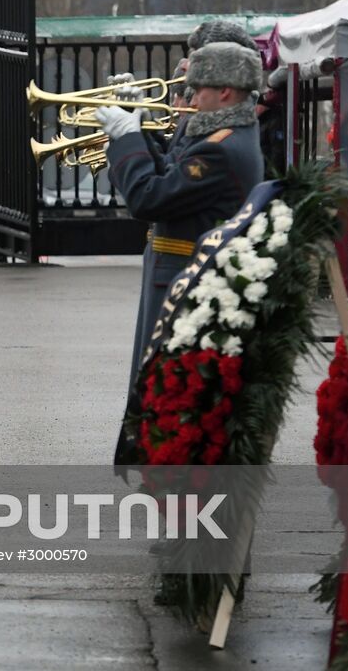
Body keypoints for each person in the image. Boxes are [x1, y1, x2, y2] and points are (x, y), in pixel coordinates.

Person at [96, 41, 265, 458]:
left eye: (197, 89)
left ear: (224, 92)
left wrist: (126, 140)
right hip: (177, 277)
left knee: (172, 395)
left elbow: (150, 198)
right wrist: (142, 134)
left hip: (184, 283)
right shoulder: (220, 136)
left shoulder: (221, 148)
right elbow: (173, 173)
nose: (189, 98)